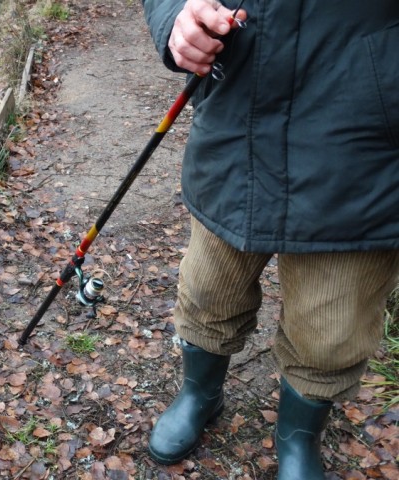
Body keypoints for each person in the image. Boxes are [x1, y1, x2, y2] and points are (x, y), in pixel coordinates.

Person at [141, 0, 399, 478]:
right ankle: (201, 393)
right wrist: (175, 15)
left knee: (332, 330)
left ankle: (298, 438)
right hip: (235, 123)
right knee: (208, 290)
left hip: (366, 144)